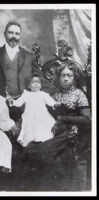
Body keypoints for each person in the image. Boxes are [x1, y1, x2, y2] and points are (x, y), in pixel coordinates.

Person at [16, 60, 91, 191]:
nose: (66, 79)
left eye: (69, 75)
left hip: (73, 132)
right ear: (59, 77)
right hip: (56, 131)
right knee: (31, 149)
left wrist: (63, 119)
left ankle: (61, 186)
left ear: (75, 77)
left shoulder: (80, 94)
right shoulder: (55, 95)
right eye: (63, 75)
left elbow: (86, 120)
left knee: (45, 152)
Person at [7, 75, 60, 147]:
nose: (36, 84)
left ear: (41, 85)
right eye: (33, 82)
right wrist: (12, 101)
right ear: (29, 86)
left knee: (44, 129)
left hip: (42, 115)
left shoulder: (43, 94)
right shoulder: (26, 94)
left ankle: (44, 141)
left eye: (38, 82)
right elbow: (18, 103)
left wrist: (54, 104)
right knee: (29, 129)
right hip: (30, 116)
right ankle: (31, 142)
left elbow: (50, 101)